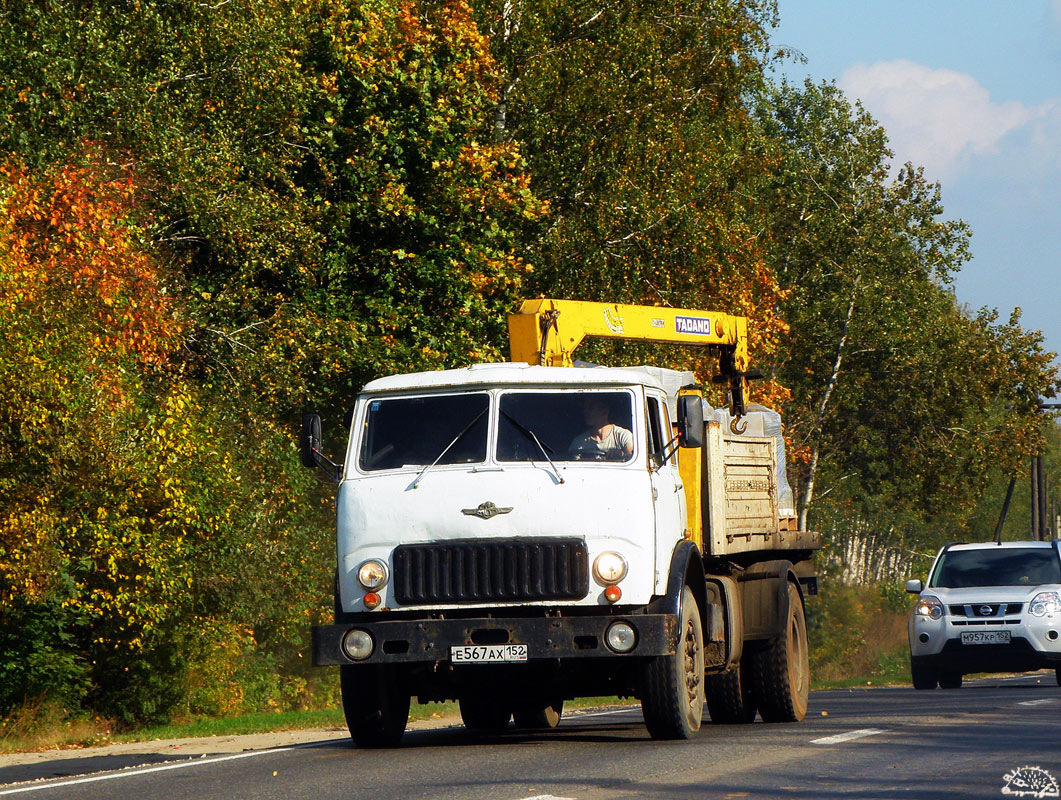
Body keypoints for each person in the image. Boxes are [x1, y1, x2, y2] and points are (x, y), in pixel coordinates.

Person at [568, 396, 634, 460]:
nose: (586, 411)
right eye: (585, 408)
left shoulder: (623, 435)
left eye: (591, 407)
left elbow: (630, 455)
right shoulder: (578, 442)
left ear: (604, 411)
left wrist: (621, 454)